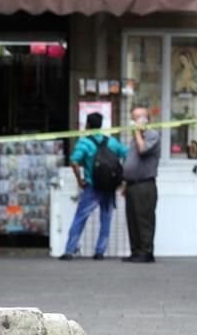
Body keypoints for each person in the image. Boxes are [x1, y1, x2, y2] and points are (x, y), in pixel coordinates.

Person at [59, 112, 127, 261]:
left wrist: (80, 180)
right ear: (101, 125)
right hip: (109, 187)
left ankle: (70, 250)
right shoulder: (112, 142)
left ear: (87, 125)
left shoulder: (84, 143)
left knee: (80, 217)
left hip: (93, 186)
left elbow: (74, 161)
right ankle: (100, 251)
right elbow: (126, 154)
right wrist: (123, 178)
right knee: (106, 218)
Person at [123, 107, 161, 263]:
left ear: (146, 119)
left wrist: (138, 132)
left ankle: (146, 251)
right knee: (132, 219)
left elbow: (143, 150)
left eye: (137, 118)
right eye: (132, 118)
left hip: (145, 184)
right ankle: (136, 251)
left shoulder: (152, 135)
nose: (134, 122)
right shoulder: (134, 137)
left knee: (144, 219)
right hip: (132, 184)